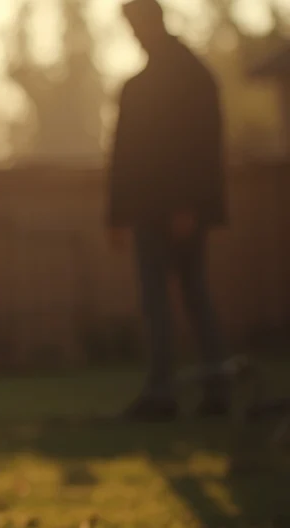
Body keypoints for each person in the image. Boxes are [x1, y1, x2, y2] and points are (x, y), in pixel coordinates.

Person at [107, 0, 230, 421]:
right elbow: (124, 154)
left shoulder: (190, 77)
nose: (133, 35)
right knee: (157, 302)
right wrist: (117, 215)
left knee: (192, 296)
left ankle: (214, 388)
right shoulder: (138, 86)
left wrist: (189, 205)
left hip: (178, 213)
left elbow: (201, 147)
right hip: (146, 212)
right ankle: (163, 393)